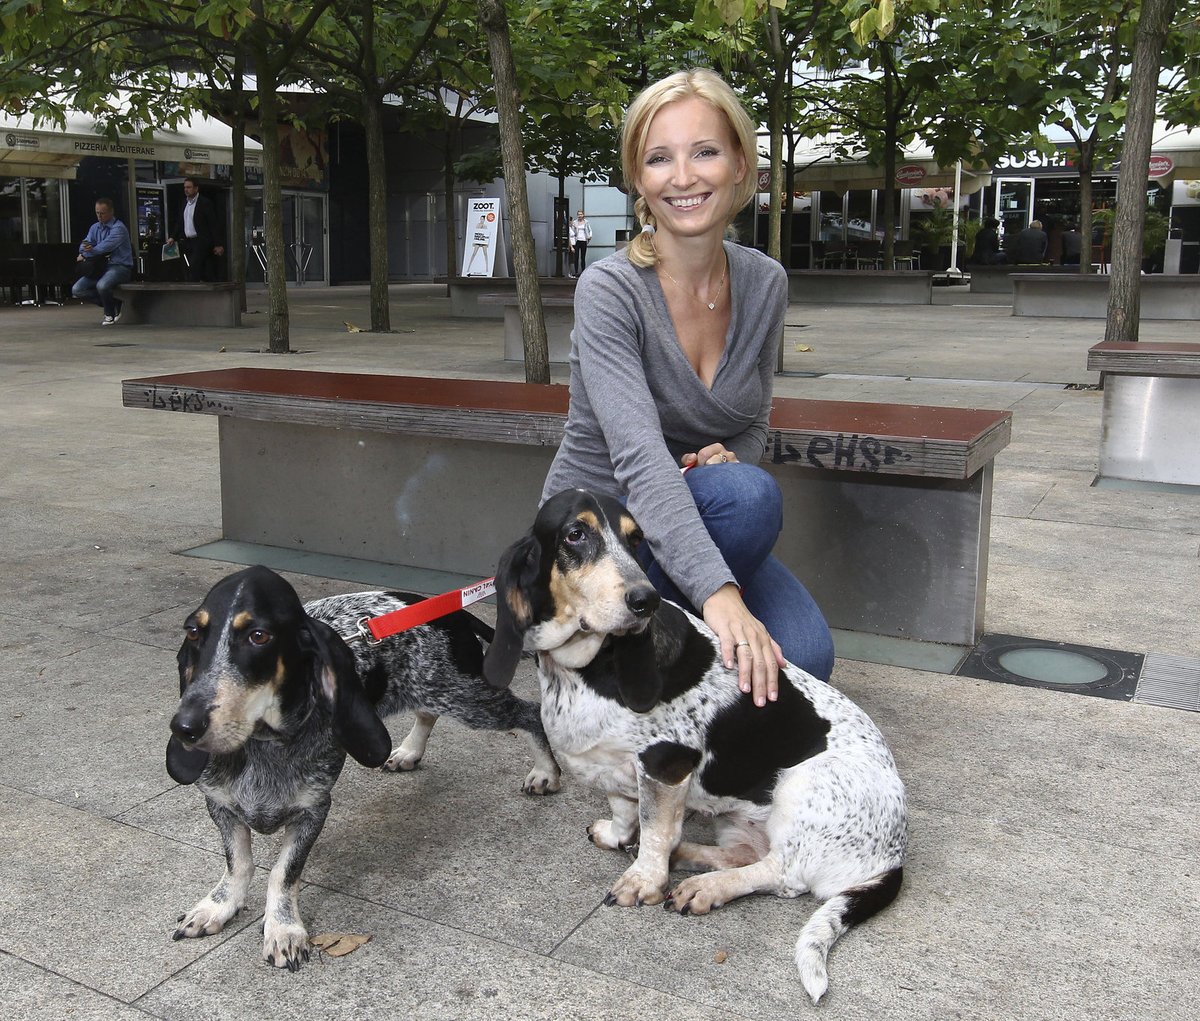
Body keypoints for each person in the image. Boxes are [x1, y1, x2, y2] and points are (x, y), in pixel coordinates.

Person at [541, 68, 835, 706]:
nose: (683, 176)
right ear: (639, 180)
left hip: (703, 512)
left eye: (704, 151)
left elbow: (753, 420)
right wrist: (722, 598)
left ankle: (651, 652)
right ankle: (613, 647)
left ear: (740, 164)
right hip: (603, 532)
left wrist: (728, 454)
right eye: (659, 159)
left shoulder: (765, 283)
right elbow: (640, 460)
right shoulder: (611, 290)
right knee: (750, 501)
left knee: (808, 659)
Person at [71, 197, 135, 325]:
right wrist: (84, 251)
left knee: (102, 285)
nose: (99, 216)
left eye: (102, 213)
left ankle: (109, 313)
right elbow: (84, 243)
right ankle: (114, 302)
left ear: (111, 212)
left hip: (119, 266)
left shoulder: (118, 228)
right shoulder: (95, 227)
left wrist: (85, 254)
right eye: (97, 213)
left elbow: (105, 247)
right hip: (100, 266)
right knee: (77, 289)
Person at [166, 177, 225, 282]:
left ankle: (196, 285)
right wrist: (172, 237)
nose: (186, 189)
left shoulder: (204, 203)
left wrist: (218, 243)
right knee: (188, 265)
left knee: (195, 265)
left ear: (196, 188)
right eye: (185, 187)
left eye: (189, 187)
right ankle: (196, 283)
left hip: (200, 240)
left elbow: (213, 224)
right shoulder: (184, 203)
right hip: (188, 241)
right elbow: (180, 222)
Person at [568, 209, 592, 276]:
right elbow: (572, 232)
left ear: (583, 215)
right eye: (578, 214)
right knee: (576, 257)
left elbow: (590, 230)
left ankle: (583, 272)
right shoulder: (575, 222)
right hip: (577, 241)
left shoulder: (586, 222)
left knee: (583, 257)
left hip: (584, 240)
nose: (580, 216)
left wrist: (590, 236)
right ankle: (576, 272)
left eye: (581, 214)